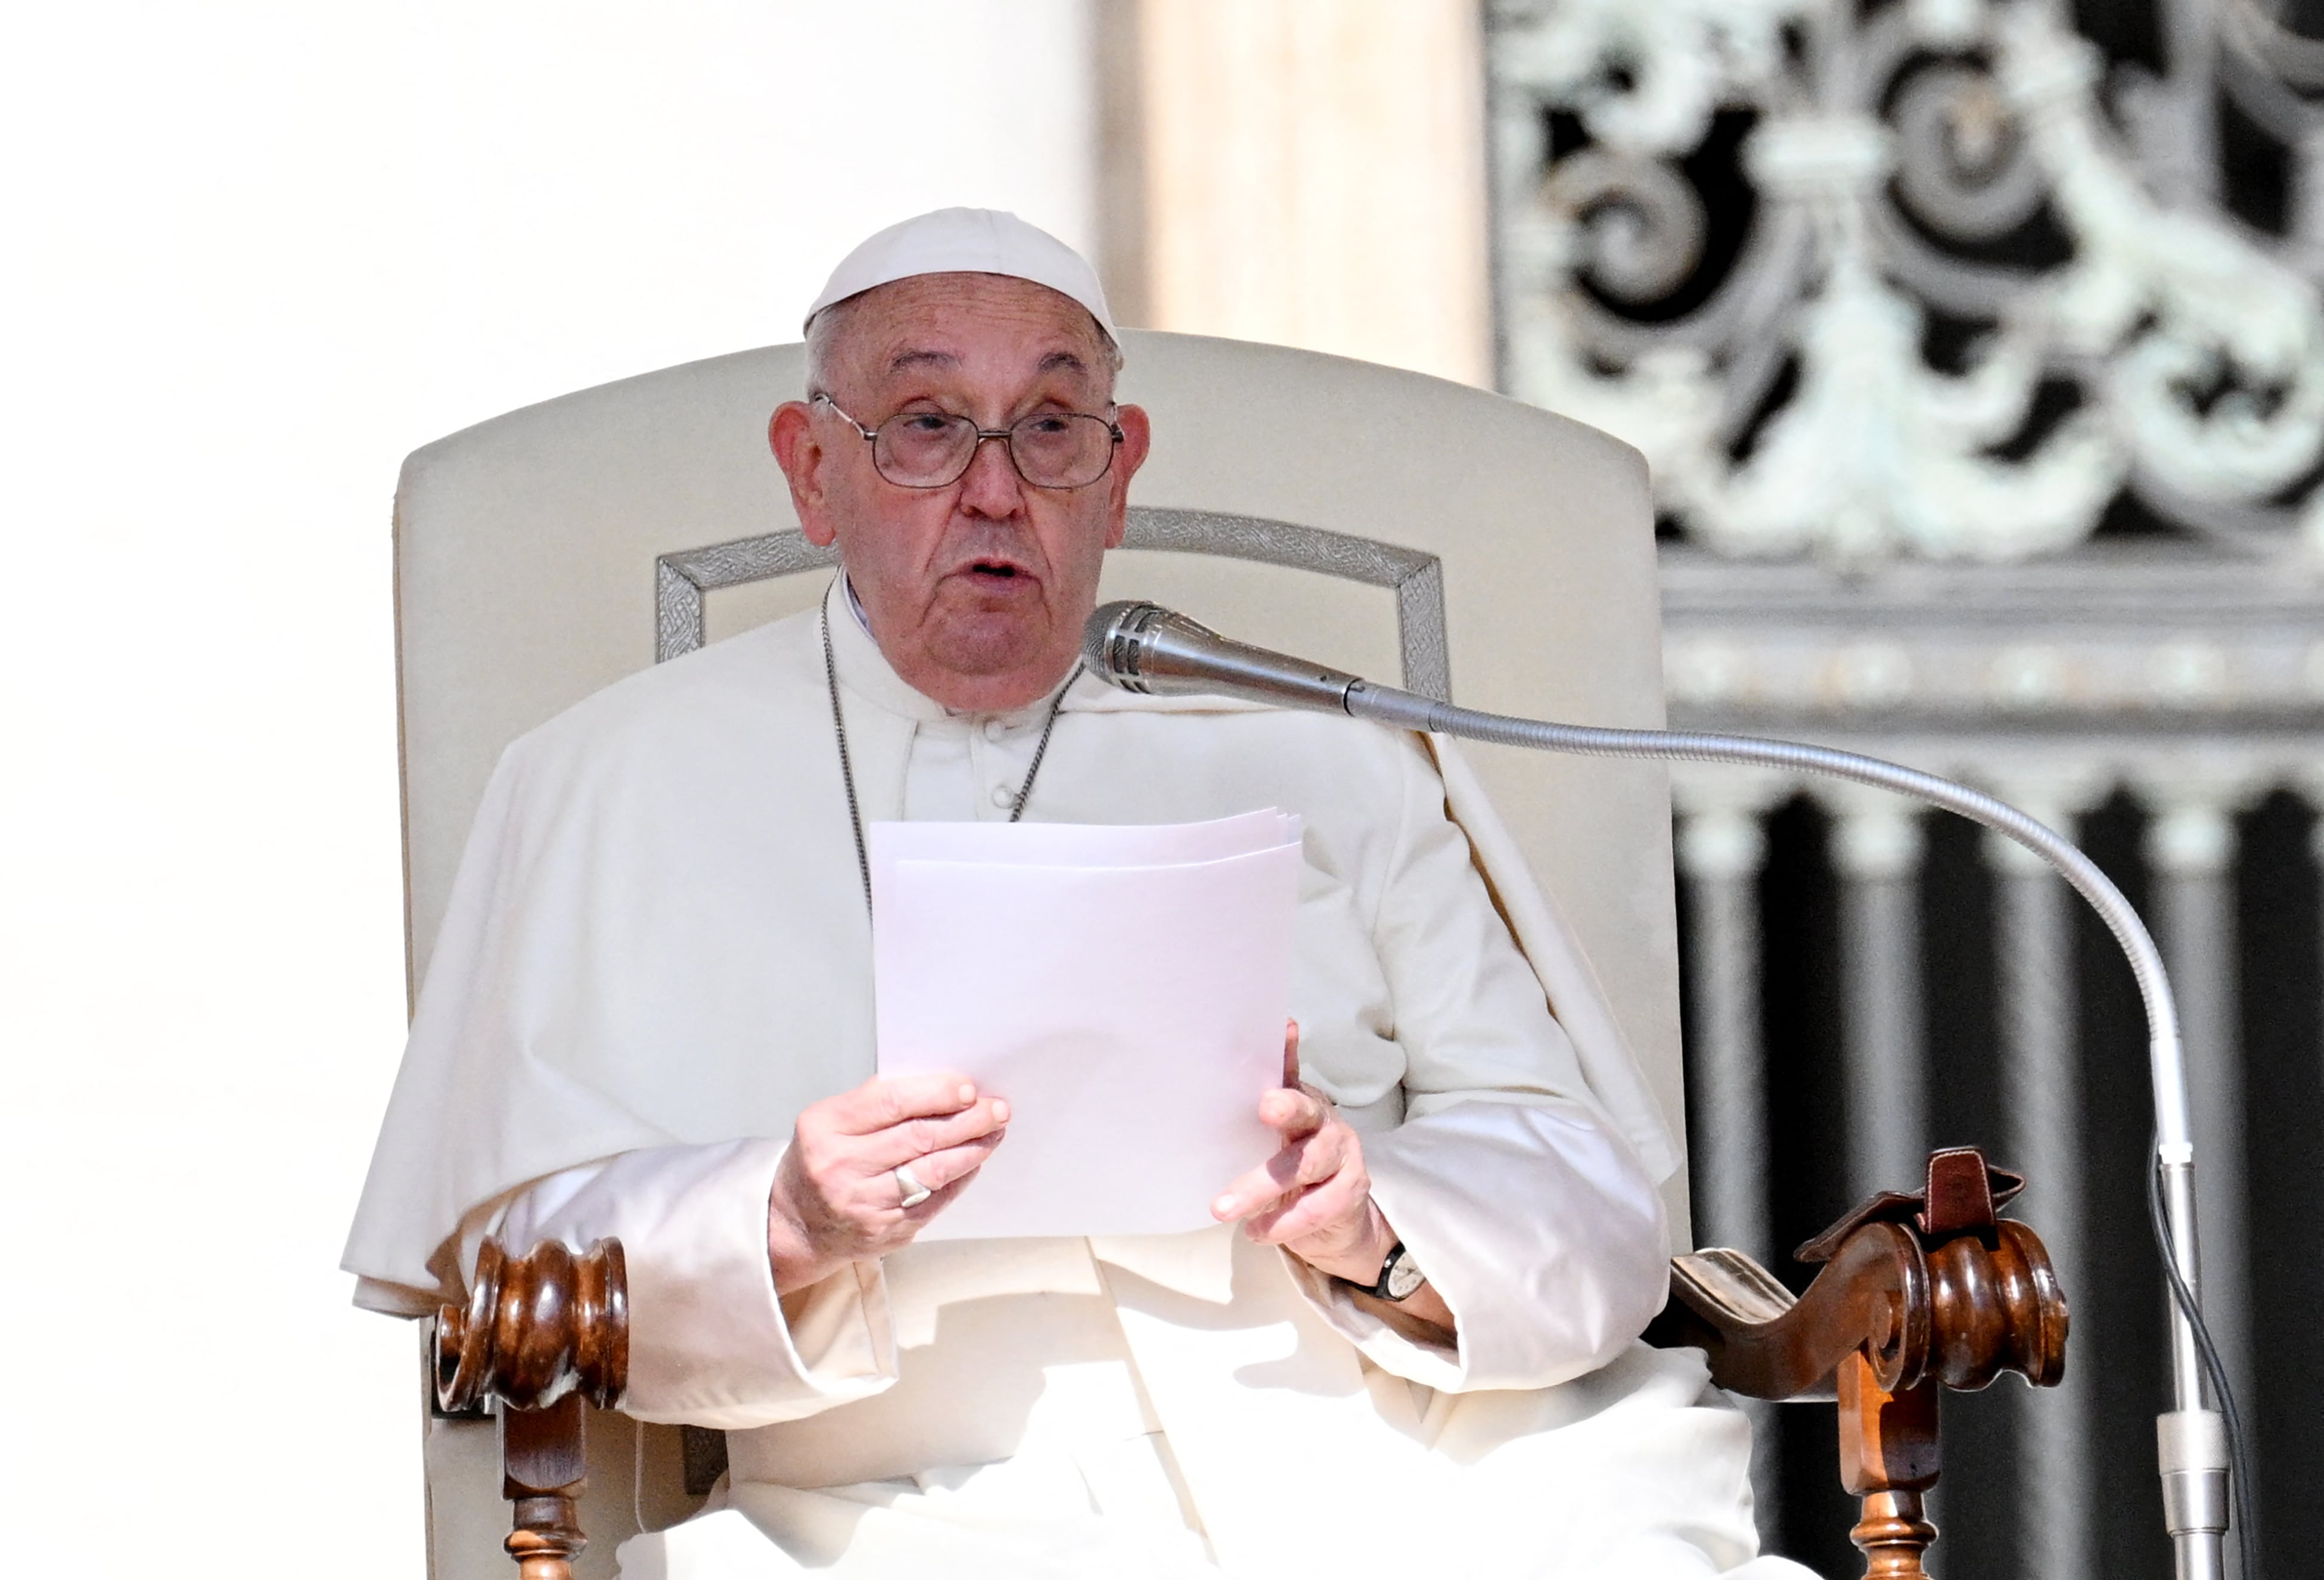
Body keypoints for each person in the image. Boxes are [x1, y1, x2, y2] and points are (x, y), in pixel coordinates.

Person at [345, 208, 1807, 1578]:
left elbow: (1578, 1187)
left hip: (1423, 1482)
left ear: (1119, 473)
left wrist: (1384, 1232)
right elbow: (513, 1265)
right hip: (934, 1515)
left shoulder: (1333, 752)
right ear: (809, 470)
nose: (995, 488)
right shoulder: (612, 778)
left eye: (1051, 428)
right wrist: (783, 1218)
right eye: (925, 426)